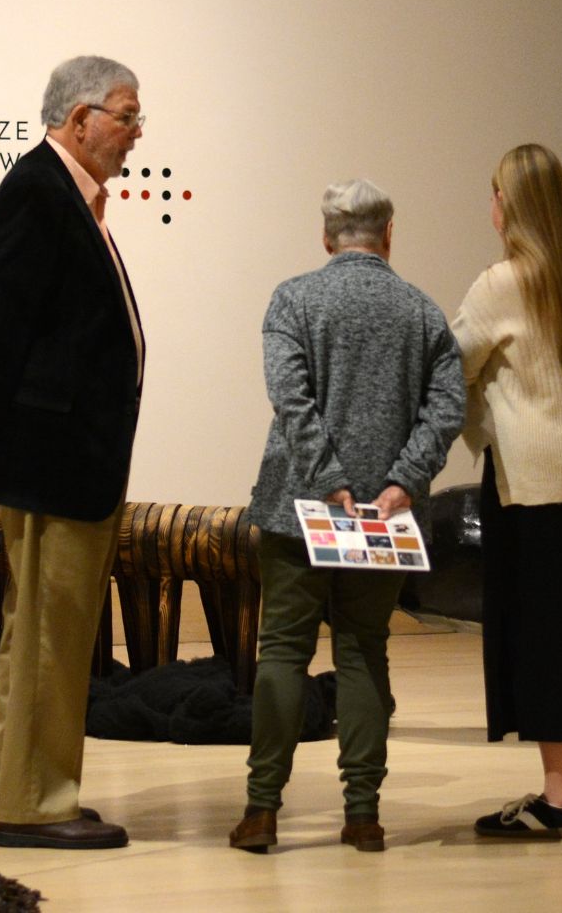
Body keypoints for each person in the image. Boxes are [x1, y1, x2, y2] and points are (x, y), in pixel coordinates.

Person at [228, 178, 465, 855]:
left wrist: (326, 478)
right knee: (363, 649)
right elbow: (447, 408)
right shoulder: (422, 312)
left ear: (327, 236)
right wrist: (402, 482)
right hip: (384, 520)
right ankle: (363, 814)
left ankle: (262, 811)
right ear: (389, 234)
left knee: (283, 652)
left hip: (296, 510)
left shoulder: (293, 299)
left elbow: (290, 398)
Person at [0, 56, 146, 850]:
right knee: (49, 637)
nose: (136, 133)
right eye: (127, 116)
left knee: (35, 631)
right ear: (80, 119)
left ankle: (7, 789)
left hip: (62, 456)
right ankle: (35, 805)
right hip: (55, 457)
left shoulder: (64, 193)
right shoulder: (38, 190)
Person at [451, 144, 562, 840]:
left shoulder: (502, 283)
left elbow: (451, 364)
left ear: (513, 205)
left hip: (535, 483)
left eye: (495, 194)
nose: (490, 208)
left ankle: (558, 799)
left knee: (545, 636)